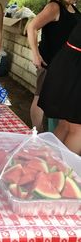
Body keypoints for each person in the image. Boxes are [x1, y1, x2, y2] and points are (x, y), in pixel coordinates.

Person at [27, 0, 81, 132]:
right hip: (50, 62)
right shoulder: (54, 7)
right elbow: (32, 27)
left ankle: (49, 134)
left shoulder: (71, 8)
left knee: (54, 99)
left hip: (65, 66)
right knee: (41, 98)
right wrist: (35, 54)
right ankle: (36, 133)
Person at [38, 20, 81, 155]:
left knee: (65, 124)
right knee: (77, 128)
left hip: (66, 64)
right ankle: (63, 172)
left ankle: (46, 166)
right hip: (75, 70)